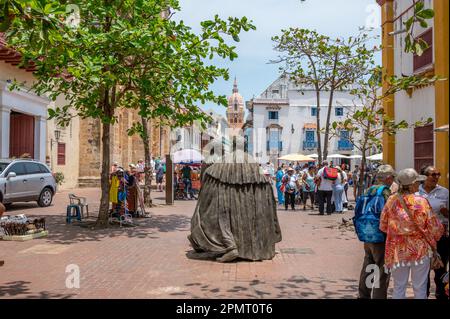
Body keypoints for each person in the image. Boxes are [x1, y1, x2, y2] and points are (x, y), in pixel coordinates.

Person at [188, 157, 282, 262]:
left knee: (218, 214)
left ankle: (230, 246)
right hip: (242, 174)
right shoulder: (254, 166)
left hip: (225, 177)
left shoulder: (216, 168)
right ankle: (240, 247)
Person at [380, 168, 444, 299]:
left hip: (397, 250)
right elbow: (435, 228)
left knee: (398, 287)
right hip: (419, 250)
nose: (418, 185)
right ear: (412, 184)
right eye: (417, 182)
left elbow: (383, 225)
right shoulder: (421, 202)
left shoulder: (391, 200)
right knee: (420, 288)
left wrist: (399, 231)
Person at [357, 164, 396, 299]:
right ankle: (378, 296)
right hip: (380, 235)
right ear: (389, 178)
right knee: (382, 269)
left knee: (369, 266)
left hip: (367, 233)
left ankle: (364, 295)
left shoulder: (369, 190)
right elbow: (388, 212)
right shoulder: (385, 191)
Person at [418, 166, 449, 300]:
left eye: (438, 174)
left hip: (441, 236)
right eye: (433, 174)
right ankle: (423, 295)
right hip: (421, 237)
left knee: (440, 268)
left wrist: (445, 213)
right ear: (424, 177)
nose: (436, 177)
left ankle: (441, 295)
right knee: (422, 268)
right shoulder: (416, 192)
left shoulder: (444, 192)